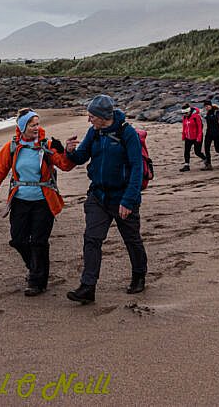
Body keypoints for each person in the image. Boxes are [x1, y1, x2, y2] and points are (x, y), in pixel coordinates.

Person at [63, 95, 148, 304]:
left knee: (132, 240)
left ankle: (139, 276)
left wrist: (128, 201)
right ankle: (87, 287)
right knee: (92, 239)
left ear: (103, 116)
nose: (89, 120)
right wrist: (70, 151)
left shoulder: (127, 133)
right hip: (98, 195)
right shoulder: (94, 132)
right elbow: (81, 157)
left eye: (92, 116)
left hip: (122, 196)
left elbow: (137, 169)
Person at [0, 109, 74, 296]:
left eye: (38, 124)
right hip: (19, 201)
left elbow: (65, 165)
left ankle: (37, 281)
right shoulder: (12, 147)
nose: (37, 127)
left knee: (39, 242)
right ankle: (35, 267)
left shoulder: (47, 145)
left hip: (44, 201)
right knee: (18, 240)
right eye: (32, 124)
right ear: (22, 127)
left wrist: (66, 151)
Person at [179, 104, 205, 172]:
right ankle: (186, 165)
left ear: (189, 111)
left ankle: (206, 159)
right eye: (184, 113)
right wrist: (183, 135)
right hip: (188, 137)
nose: (185, 114)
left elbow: (200, 128)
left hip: (196, 137)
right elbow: (184, 127)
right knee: (186, 151)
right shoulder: (184, 117)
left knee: (197, 152)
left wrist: (199, 137)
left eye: (186, 113)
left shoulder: (196, 116)